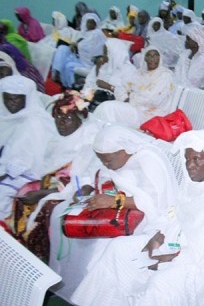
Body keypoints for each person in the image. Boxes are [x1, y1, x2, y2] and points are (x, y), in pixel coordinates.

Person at [77, 130, 204, 306]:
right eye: (187, 159)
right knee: (118, 249)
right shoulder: (193, 184)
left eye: (197, 159)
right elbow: (178, 219)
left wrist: (171, 257)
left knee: (163, 284)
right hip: (180, 245)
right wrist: (159, 237)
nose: (190, 165)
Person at [68, 125, 179, 305]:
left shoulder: (148, 160)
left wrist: (115, 201)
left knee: (106, 249)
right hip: (127, 215)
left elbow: (156, 204)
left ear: (124, 150)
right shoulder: (115, 158)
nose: (105, 164)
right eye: (101, 159)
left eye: (107, 160)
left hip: (156, 221)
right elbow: (102, 173)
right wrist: (90, 188)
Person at [7, 90, 103, 261]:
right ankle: (20, 249)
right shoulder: (59, 138)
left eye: (67, 119)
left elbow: (81, 180)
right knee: (24, 191)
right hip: (56, 183)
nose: (61, 124)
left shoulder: (88, 141)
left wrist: (45, 193)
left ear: (80, 119)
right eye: (57, 118)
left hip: (75, 190)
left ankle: (40, 256)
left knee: (47, 207)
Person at [0, 76, 56, 219]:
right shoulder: (4, 116)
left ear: (27, 99)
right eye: (7, 99)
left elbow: (20, 164)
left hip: (26, 174)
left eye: (16, 99)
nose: (11, 104)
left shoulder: (35, 122)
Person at [93, 47, 174, 126]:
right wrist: (125, 97)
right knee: (106, 108)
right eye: (148, 55)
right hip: (135, 108)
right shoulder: (140, 73)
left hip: (150, 116)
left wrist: (129, 98)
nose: (152, 58)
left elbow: (152, 99)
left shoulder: (164, 75)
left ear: (160, 58)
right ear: (144, 58)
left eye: (156, 55)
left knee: (108, 108)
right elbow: (125, 88)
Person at [53, 13, 106, 88]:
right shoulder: (86, 33)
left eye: (91, 22)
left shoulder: (97, 33)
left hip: (89, 62)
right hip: (81, 56)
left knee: (68, 65)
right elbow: (81, 41)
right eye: (88, 22)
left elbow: (92, 49)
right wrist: (75, 44)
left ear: (95, 24)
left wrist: (78, 46)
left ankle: (70, 86)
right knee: (62, 49)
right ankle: (57, 74)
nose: (89, 24)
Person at [81, 38, 136, 111]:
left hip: (114, 106)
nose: (103, 56)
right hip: (95, 100)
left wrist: (109, 87)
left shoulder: (129, 70)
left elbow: (128, 97)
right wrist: (97, 70)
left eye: (106, 53)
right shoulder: (103, 64)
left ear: (114, 53)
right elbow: (89, 83)